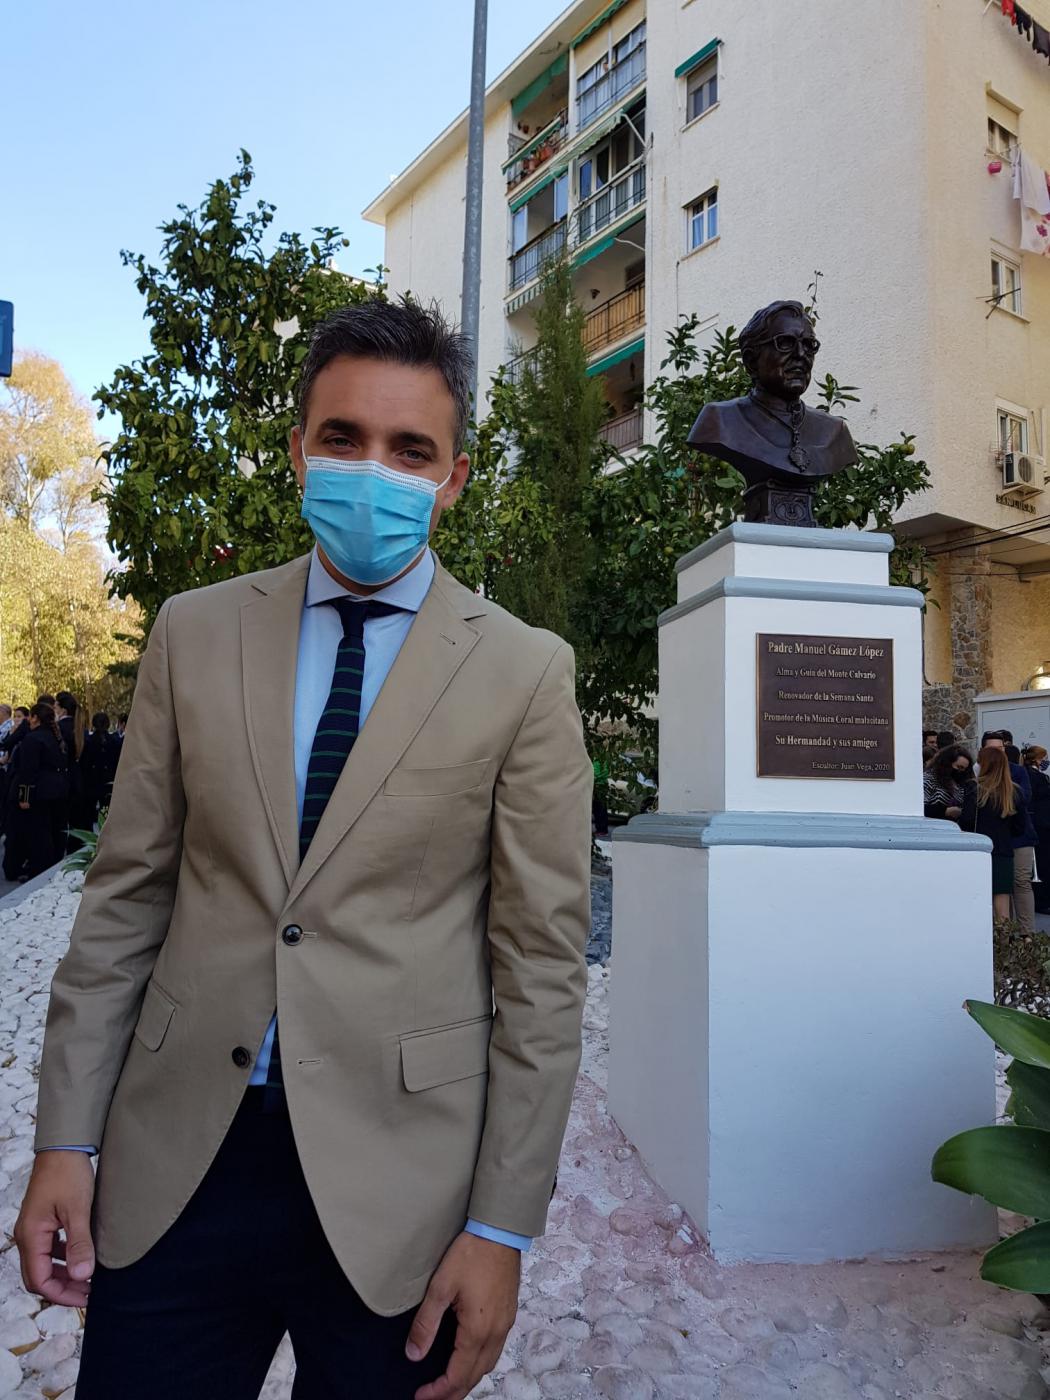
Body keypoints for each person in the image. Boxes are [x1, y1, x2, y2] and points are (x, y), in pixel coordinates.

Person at [17, 300, 592, 1400]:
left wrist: (502, 1226)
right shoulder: (197, 629)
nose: (373, 469)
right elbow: (126, 900)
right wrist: (66, 1141)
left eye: (409, 448)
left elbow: (541, 971)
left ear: (453, 477)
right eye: (344, 438)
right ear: (299, 452)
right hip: (177, 1160)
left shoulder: (523, 672)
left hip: (402, 1188)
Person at [4, 703, 69, 882]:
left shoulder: (32, 740)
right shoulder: (55, 738)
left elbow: (28, 771)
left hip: (39, 792)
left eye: (30, 717)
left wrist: (24, 796)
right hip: (57, 791)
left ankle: (37, 870)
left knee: (38, 835)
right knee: (52, 832)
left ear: (35, 718)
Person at [982, 732, 1038, 933]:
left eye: (1001, 748)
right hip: (996, 839)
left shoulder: (1017, 771)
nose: (999, 752)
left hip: (1020, 837)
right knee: (1001, 886)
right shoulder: (977, 773)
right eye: (994, 749)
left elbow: (1025, 798)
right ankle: (1007, 934)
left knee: (1020, 881)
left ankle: (1026, 934)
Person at [971, 746, 1028, 922]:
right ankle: (1002, 946)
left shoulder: (975, 789)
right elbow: (1020, 827)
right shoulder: (1015, 791)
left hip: (978, 851)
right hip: (1003, 851)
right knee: (1002, 906)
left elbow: (967, 821)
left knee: (977, 900)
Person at [79, 713, 121, 826]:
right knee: (106, 811)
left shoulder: (88, 741)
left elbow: (85, 763)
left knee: (88, 814)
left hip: (91, 781)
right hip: (108, 781)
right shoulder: (115, 741)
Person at [1024, 745, 1050, 915]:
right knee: (1043, 863)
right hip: (1042, 825)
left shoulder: (1030, 775)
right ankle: (1042, 901)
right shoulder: (1037, 778)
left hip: (1039, 823)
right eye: (1044, 757)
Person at [923, 744, 974, 826]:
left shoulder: (960, 784)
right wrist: (945, 811)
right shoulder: (929, 779)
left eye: (964, 769)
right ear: (948, 763)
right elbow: (920, 808)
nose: (961, 772)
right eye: (959, 767)